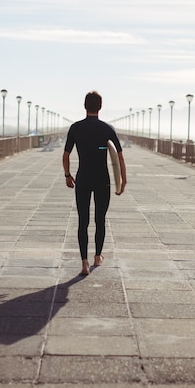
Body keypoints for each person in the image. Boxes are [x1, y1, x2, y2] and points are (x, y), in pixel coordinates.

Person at [63, 91, 127, 276]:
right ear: (100, 106)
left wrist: (67, 175)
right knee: (100, 219)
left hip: (83, 177)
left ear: (85, 106)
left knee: (83, 221)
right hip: (102, 179)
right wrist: (122, 180)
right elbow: (120, 157)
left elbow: (66, 155)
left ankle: (83, 262)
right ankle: (97, 257)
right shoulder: (107, 129)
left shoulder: (76, 128)